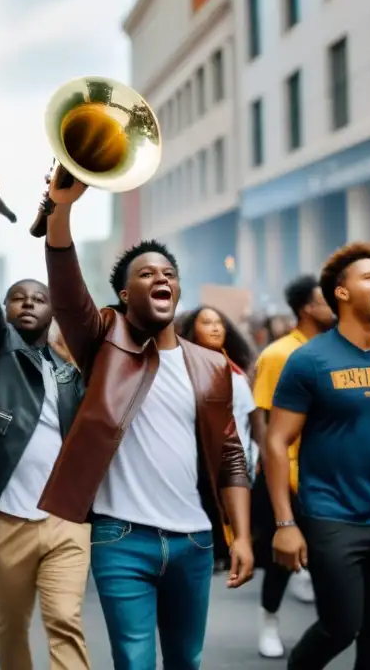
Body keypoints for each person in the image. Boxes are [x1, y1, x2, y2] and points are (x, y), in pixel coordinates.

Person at [39, 176, 254, 670]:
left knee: (186, 661)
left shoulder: (212, 366)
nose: (160, 277)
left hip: (196, 541)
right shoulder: (104, 341)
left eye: (168, 273)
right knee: (134, 663)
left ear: (176, 289)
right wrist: (60, 211)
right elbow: (69, 293)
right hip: (122, 540)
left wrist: (239, 534)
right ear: (123, 293)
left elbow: (230, 455)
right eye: (146, 273)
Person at [266, 242, 370, 670]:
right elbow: (275, 441)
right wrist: (286, 523)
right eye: (369, 278)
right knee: (341, 625)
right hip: (331, 516)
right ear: (341, 293)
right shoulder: (308, 360)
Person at [0, 197, 91, 670]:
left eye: (39, 298)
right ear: (7, 310)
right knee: (11, 626)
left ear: (53, 312)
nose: (29, 303)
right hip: (5, 520)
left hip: (66, 523)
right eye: (19, 297)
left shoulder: (70, 374)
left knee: (64, 619)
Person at [249, 275, 335, 658]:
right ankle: (269, 622)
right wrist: (275, 477)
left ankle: (332, 628)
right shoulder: (279, 354)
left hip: (332, 477)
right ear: (306, 308)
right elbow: (264, 425)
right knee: (279, 562)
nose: (334, 306)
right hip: (291, 476)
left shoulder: (339, 350)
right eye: (325, 301)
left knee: (334, 560)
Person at [179, 305, 257, 570]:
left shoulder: (236, 372)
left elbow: (250, 418)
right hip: (200, 456)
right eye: (207, 322)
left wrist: (255, 453)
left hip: (237, 454)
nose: (215, 328)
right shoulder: (182, 369)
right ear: (192, 330)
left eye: (219, 323)